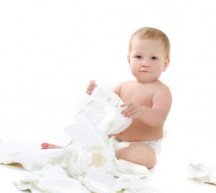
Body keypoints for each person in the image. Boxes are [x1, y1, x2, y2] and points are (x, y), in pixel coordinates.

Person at [42, 27, 172, 169]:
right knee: (90, 129)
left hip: (145, 145)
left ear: (165, 64)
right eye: (138, 57)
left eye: (153, 58)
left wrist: (142, 111)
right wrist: (96, 92)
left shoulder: (161, 91)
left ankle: (106, 155)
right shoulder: (123, 86)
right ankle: (67, 149)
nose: (145, 63)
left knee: (146, 157)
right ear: (129, 59)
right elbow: (105, 103)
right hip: (114, 139)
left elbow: (159, 117)